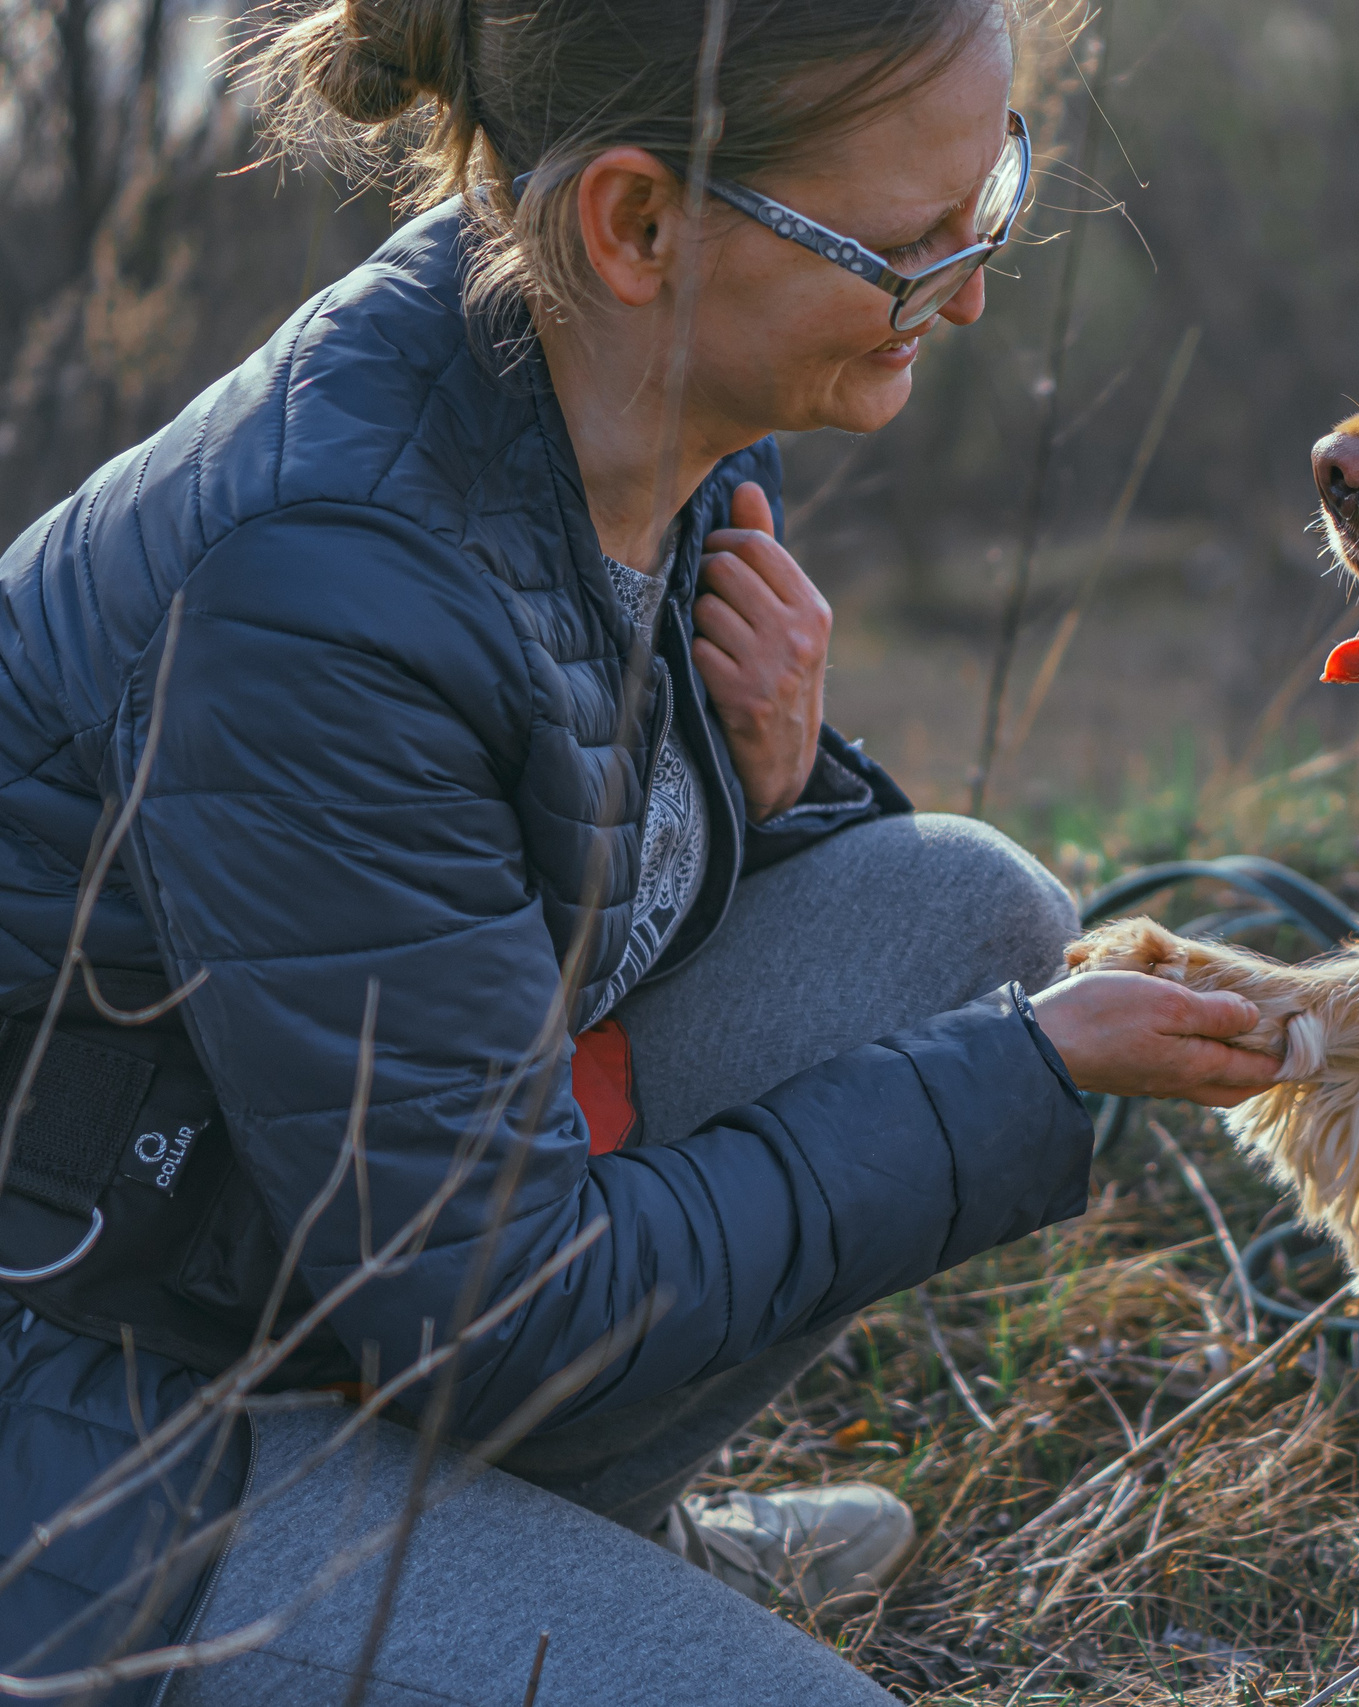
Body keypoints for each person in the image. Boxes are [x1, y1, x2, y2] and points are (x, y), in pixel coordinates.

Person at [0, 1, 1282, 1701]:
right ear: (639, 223)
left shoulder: (649, 389)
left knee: (969, 909)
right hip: (95, 1407)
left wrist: (773, 784)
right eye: (910, 245)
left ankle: (575, 1542)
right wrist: (1018, 1085)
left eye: (993, 205)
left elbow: (519, 920)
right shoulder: (317, 601)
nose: (970, 292)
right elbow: (493, 1311)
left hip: (297, 1255)